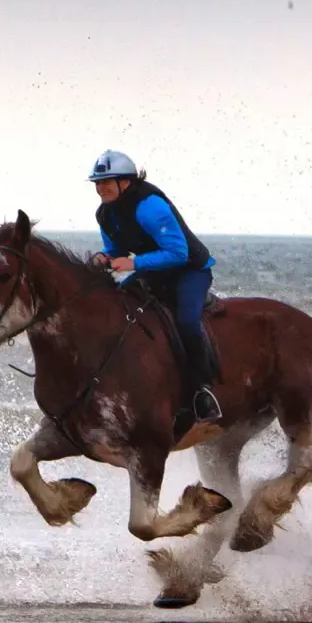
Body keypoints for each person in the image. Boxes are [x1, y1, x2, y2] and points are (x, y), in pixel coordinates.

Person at [88, 150, 222, 423]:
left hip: (190, 272)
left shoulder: (150, 206)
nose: (100, 188)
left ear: (125, 182)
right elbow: (115, 250)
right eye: (97, 183)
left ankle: (203, 391)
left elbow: (178, 253)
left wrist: (133, 265)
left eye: (106, 182)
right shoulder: (104, 214)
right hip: (154, 274)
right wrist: (104, 257)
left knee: (186, 322)